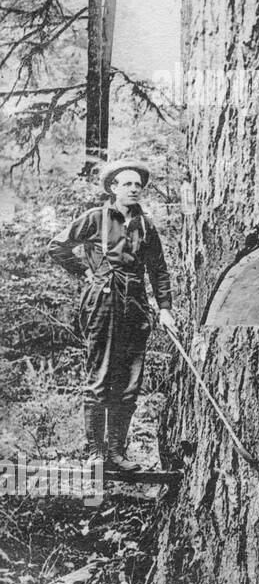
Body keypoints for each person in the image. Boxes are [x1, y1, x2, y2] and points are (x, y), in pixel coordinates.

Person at [47, 160, 176, 471]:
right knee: (101, 375)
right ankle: (96, 454)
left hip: (135, 304)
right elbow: (57, 246)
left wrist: (165, 309)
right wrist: (84, 272)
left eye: (137, 185)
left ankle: (117, 454)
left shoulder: (145, 226)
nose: (133, 188)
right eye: (126, 183)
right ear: (114, 188)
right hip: (103, 301)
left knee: (130, 381)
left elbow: (158, 270)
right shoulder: (97, 218)